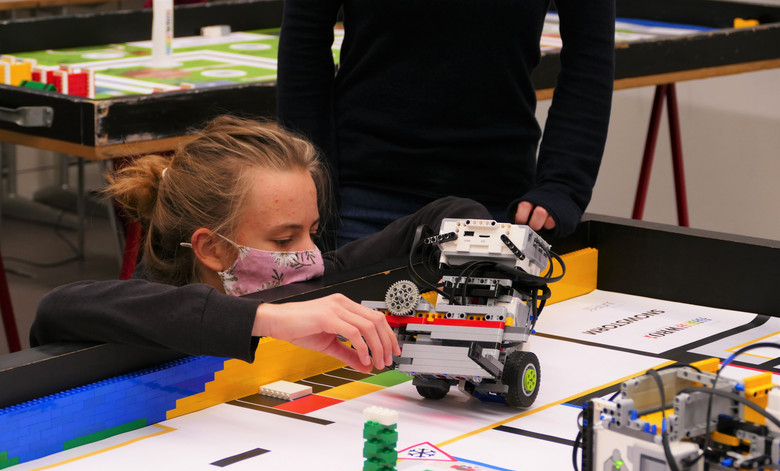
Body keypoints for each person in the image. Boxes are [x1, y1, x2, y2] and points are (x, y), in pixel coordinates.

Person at [30, 115, 493, 372]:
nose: (311, 254)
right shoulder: (152, 303)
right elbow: (58, 308)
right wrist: (265, 318)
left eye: (312, 229)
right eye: (284, 237)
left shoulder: (308, 278)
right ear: (211, 249)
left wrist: (489, 259)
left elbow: (445, 217)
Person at [276, 0, 615, 245]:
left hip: (495, 202)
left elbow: (589, 53)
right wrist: (314, 181)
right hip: (357, 199)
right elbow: (304, 37)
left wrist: (564, 184)